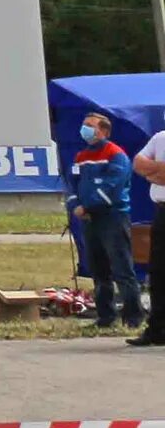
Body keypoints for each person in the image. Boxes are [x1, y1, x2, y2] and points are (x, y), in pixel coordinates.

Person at [68, 112, 145, 336]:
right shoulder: (81, 156)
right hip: (89, 220)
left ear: (104, 131)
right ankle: (105, 316)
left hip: (113, 218)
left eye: (91, 126)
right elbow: (72, 184)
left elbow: (113, 187)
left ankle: (133, 316)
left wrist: (88, 206)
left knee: (122, 270)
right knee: (98, 270)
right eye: (84, 125)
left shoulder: (116, 155)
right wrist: (75, 205)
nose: (85, 129)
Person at [134, 120, 165, 349]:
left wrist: (154, 171)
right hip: (162, 210)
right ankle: (157, 329)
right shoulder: (159, 138)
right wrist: (158, 171)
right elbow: (138, 163)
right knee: (158, 271)